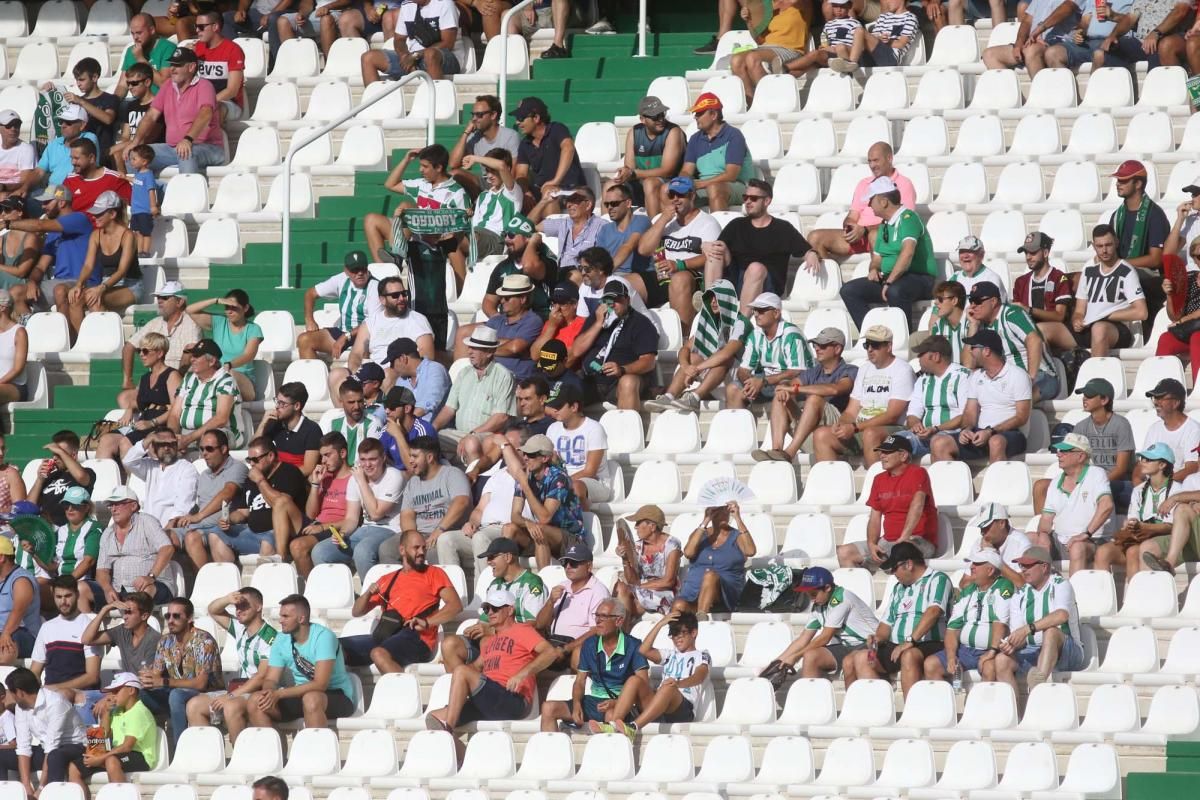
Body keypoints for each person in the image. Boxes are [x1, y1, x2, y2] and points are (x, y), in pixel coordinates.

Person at [425, 588, 558, 744]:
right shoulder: (490, 640)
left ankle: (449, 728)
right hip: (489, 698)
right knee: (434, 718)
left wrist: (522, 674)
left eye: (495, 608)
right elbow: (475, 667)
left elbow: (550, 653)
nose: (489, 612)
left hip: (512, 698)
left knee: (461, 672)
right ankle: (463, 756)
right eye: (487, 608)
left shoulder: (522, 630)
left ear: (510, 610)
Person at [341, 530, 462, 671]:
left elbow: (455, 605)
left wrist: (428, 622)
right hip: (386, 635)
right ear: (402, 550)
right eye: (416, 548)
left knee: (379, 653)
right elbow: (356, 612)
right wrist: (368, 593)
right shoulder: (388, 579)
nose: (422, 552)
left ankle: (405, 690)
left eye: (424, 547)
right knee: (332, 648)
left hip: (417, 638)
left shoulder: (435, 573)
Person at [847, 542, 951, 697]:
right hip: (897, 644)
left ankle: (911, 710)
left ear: (908, 564)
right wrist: (877, 638)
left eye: (894, 568)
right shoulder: (898, 587)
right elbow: (886, 623)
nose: (893, 573)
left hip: (928, 642)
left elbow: (934, 611)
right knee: (864, 657)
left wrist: (910, 641)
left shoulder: (937, 579)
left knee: (909, 655)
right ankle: (876, 711)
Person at [839, 176, 937, 330]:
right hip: (893, 279)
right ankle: (873, 334)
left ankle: (902, 338)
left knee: (895, 291)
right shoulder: (884, 225)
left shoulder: (908, 218)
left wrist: (889, 281)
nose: (869, 204)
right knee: (849, 290)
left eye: (872, 200)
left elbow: (907, 254)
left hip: (919, 278)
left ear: (884, 201)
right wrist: (874, 269)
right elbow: (877, 257)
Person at [539, 597, 649, 734]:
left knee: (611, 715)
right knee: (548, 708)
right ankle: (551, 754)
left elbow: (642, 685)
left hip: (621, 705)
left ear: (619, 621)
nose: (598, 620)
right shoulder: (589, 644)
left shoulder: (634, 645)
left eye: (604, 616)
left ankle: (607, 753)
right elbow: (580, 681)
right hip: (593, 702)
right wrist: (577, 704)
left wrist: (616, 702)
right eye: (597, 615)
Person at [434, 431, 531, 584]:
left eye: (507, 447)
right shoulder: (497, 475)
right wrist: (471, 523)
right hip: (485, 529)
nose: (502, 450)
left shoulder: (529, 473)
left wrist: (504, 443)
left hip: (509, 531)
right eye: (502, 447)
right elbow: (480, 509)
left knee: (481, 538)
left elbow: (518, 471)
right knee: (446, 540)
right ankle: (454, 593)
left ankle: (485, 592)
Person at [985, 546, 1085, 690]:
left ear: (1044, 567)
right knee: (1001, 660)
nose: (1023, 569)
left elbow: (1062, 615)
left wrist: (1028, 629)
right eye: (1021, 565)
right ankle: (1015, 710)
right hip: (1033, 649)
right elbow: (1019, 634)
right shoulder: (1019, 595)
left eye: (1028, 565)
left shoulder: (1060, 585)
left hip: (1067, 652)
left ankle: (1037, 689)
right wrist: (1011, 644)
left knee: (1050, 632)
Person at [759, 567, 880, 686]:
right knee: (811, 656)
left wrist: (795, 657)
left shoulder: (841, 599)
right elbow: (803, 639)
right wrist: (778, 662)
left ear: (827, 588)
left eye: (813, 594)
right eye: (808, 595)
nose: (811, 599)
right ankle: (811, 701)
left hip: (871, 644)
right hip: (847, 646)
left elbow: (825, 637)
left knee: (849, 662)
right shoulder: (819, 605)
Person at [249, 595, 357, 727]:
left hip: (336, 695)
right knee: (255, 701)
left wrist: (279, 693)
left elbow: (320, 684)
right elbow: (271, 679)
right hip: (301, 695)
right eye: (281, 616)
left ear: (301, 618)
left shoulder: (323, 637)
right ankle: (272, 747)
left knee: (311, 699)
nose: (280, 621)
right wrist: (269, 693)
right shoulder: (281, 639)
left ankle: (316, 747)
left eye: (286, 616)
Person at [1040, 225, 1147, 356]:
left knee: (1099, 328)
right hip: (1088, 326)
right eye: (1100, 246)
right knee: (1040, 330)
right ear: (1094, 246)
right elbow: (1079, 311)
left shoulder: (1127, 271)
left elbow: (1141, 312)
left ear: (1116, 243)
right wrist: (1076, 320)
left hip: (1116, 329)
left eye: (1108, 245)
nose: (1104, 250)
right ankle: (1045, 374)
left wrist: (1105, 315)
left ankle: (1096, 375)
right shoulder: (1089, 270)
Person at [813, 326, 914, 465]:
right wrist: (841, 424)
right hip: (862, 428)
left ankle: (875, 483)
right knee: (822, 434)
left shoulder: (903, 370)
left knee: (871, 434)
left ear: (889, 346)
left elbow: (892, 415)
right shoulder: (865, 369)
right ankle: (832, 484)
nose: (870, 349)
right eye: (867, 345)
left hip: (893, 429)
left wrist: (855, 427)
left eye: (875, 345)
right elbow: (851, 411)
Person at [1032, 378, 1135, 513]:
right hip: (1085, 480)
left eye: (1090, 396)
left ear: (1104, 400)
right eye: (1084, 396)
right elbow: (1073, 462)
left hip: (1115, 482)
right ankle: (1042, 531)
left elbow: (1121, 469)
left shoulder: (1121, 424)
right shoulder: (1081, 427)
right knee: (1040, 486)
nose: (1084, 399)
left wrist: (1092, 484)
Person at [754, 327, 857, 462]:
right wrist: (785, 387)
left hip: (836, 430)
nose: (817, 348)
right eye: (815, 345)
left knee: (814, 399)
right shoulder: (814, 371)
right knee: (781, 396)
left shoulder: (850, 370)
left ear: (837, 349)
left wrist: (795, 390)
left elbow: (835, 389)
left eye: (822, 345)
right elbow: (792, 384)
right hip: (811, 429)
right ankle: (777, 450)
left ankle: (790, 452)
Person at [837, 434, 939, 568]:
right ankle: (860, 586)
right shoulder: (879, 479)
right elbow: (875, 517)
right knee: (844, 553)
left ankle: (879, 564)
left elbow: (917, 506)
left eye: (887, 452)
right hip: (889, 541)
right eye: (881, 452)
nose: (882, 456)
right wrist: (871, 544)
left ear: (903, 455)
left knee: (901, 551)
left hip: (917, 540)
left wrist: (904, 538)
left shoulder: (918, 473)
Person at [706, 181, 813, 309]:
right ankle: (710, 305)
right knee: (715, 253)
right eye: (745, 197)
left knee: (755, 268)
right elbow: (718, 247)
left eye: (754, 198)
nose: (748, 202)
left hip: (766, 285)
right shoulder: (736, 224)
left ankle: (742, 324)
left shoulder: (782, 228)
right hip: (738, 280)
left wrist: (812, 254)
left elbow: (805, 250)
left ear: (767, 201)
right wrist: (705, 246)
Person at [931, 329, 1032, 463]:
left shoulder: (1018, 375)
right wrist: (966, 430)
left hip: (1012, 434)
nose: (970, 351)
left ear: (986, 351)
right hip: (981, 433)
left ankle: (995, 484)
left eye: (973, 347)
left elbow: (1021, 417)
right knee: (939, 442)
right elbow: (970, 413)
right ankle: (955, 484)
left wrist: (990, 431)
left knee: (996, 442)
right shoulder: (976, 376)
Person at [310, 436, 405, 578]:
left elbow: (376, 514)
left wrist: (362, 481)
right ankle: (338, 596)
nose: (367, 465)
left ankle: (371, 596)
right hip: (364, 529)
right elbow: (351, 519)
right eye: (363, 460)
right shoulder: (356, 479)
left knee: (362, 551)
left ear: (383, 458)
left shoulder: (393, 476)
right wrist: (342, 533)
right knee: (320, 551)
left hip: (389, 529)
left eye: (372, 459)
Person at [647, 281, 749, 414]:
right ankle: (669, 397)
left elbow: (726, 354)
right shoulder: (709, 321)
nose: (713, 302)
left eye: (717, 298)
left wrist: (697, 369)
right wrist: (686, 367)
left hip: (739, 381)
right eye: (710, 298)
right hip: (716, 380)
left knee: (724, 359)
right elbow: (685, 349)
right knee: (693, 356)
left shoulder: (741, 323)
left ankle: (694, 398)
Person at [806, 142, 917, 264]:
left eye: (876, 160)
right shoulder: (864, 184)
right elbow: (852, 216)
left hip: (885, 236)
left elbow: (903, 221)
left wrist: (865, 230)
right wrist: (850, 227)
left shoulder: (904, 184)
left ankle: (880, 279)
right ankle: (833, 279)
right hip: (860, 236)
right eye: (869, 161)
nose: (872, 165)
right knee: (814, 238)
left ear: (889, 158)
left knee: (874, 235)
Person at [364, 145, 469, 269]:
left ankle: (397, 256)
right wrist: (406, 160)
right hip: (414, 235)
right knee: (371, 219)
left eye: (425, 166)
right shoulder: (421, 184)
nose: (420, 170)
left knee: (405, 206)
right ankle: (386, 270)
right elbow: (390, 184)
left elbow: (462, 228)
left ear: (439, 167)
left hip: (437, 239)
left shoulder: (456, 193)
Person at [332, 277, 436, 401]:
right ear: (382, 299)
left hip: (398, 374)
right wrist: (357, 373)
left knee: (387, 375)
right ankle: (348, 418)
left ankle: (379, 414)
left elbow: (427, 356)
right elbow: (356, 354)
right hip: (369, 373)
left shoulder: (417, 320)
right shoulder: (371, 322)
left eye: (404, 294)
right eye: (395, 295)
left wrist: (400, 370)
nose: (402, 298)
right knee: (336, 375)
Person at [636, 176, 722, 326]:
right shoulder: (665, 222)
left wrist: (679, 265)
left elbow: (710, 257)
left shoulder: (707, 223)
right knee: (626, 282)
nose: (675, 199)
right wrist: (663, 219)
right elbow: (643, 249)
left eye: (681, 194)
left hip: (691, 276)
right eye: (671, 195)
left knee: (679, 279)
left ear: (692, 195)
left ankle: (683, 338)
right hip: (662, 276)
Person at [137, 597, 222, 745]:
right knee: (141, 694)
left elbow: (201, 684)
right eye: (167, 616)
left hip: (207, 694)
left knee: (176, 695)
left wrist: (163, 681)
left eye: (176, 616)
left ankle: (180, 749)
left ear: (189, 618)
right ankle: (145, 749)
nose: (170, 620)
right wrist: (148, 678)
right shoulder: (165, 641)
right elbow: (156, 674)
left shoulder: (204, 641)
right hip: (177, 694)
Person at [128, 48, 226, 175]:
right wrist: (135, 142)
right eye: (171, 65)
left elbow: (205, 113)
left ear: (191, 67)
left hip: (208, 147)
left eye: (178, 65)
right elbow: (151, 115)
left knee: (186, 153)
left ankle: (187, 194)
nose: (172, 69)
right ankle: (145, 193)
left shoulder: (204, 86)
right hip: (173, 148)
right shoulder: (167, 85)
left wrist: (188, 139)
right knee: (134, 154)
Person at [497, 433, 586, 568]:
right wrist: (528, 523)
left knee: (540, 529)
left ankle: (543, 583)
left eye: (531, 455)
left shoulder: (558, 478)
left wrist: (525, 486)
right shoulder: (525, 475)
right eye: (525, 453)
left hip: (570, 539)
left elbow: (545, 518)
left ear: (544, 458)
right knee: (509, 528)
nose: (525, 458)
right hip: (543, 533)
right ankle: (505, 576)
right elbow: (515, 516)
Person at [923, 550, 1012, 684]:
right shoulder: (967, 592)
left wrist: (992, 651)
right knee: (931, 664)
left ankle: (981, 704)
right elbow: (952, 628)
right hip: (965, 650)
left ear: (990, 570)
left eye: (977, 564)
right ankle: (948, 703)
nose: (972, 567)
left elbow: (1000, 623)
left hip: (990, 650)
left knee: (990, 667)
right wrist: (951, 656)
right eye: (972, 564)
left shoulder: (1003, 587)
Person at [6, 185, 96, 317]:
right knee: (16, 292)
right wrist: (32, 281)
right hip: (58, 283)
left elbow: (39, 225)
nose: (43, 206)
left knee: (59, 291)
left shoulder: (79, 218)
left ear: (62, 202)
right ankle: (31, 330)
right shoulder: (53, 232)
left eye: (47, 202)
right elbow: (41, 266)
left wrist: (8, 224)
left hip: (83, 281)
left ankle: (67, 335)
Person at [1094, 443, 1179, 579]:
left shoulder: (1177, 489)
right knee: (1103, 552)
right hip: (1139, 537)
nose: (1142, 462)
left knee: (1133, 551)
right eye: (1142, 459)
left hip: (1161, 540)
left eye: (1148, 460)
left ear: (1162, 465)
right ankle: (1103, 598)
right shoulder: (1138, 489)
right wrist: (1131, 524)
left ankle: (1134, 597)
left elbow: (1172, 527)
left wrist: (1143, 526)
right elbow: (1134, 519)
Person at [379, 436, 471, 562]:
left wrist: (439, 531)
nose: (410, 461)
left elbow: (461, 502)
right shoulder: (413, 483)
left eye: (415, 456)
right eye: (410, 456)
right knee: (386, 549)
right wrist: (412, 538)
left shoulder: (452, 474)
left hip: (445, 534)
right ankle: (403, 581)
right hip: (419, 534)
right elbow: (407, 515)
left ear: (429, 458)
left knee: (432, 553)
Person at [433, 327, 517, 465]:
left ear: (489, 352)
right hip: (460, 433)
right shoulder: (464, 373)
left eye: (475, 348)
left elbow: (501, 418)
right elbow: (449, 408)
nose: (469, 351)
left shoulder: (504, 376)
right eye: (470, 347)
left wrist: (472, 434)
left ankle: (473, 481)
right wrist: (432, 428)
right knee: (429, 440)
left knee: (471, 443)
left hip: (489, 436)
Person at [965, 281, 1059, 401]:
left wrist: (1029, 379)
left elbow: (1034, 341)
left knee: (1009, 403)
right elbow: (969, 365)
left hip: (1042, 377)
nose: (972, 306)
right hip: (1005, 381)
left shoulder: (1012, 314)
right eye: (971, 301)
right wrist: (973, 325)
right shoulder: (980, 324)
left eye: (977, 301)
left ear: (993, 302)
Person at [1036, 433, 1115, 574]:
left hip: (1092, 541)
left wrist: (1086, 533)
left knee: (1077, 547)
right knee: (1030, 538)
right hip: (1061, 540)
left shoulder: (1096, 474)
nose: (1059, 454)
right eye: (1059, 451)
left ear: (1081, 456)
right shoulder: (1055, 482)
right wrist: (1043, 533)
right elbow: (1046, 519)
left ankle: (1072, 595)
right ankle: (1044, 590)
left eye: (1065, 451)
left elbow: (1106, 505)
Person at [64, 193, 141, 338]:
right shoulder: (96, 235)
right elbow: (88, 265)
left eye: (99, 214)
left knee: (94, 298)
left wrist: (101, 288)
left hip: (131, 285)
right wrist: (79, 284)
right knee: (76, 297)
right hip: (107, 284)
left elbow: (122, 270)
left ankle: (105, 342)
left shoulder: (128, 235)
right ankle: (84, 342)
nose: (94, 217)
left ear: (112, 213)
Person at [573, 280, 658, 410]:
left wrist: (622, 369)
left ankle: (627, 429)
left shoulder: (641, 323)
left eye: (617, 299)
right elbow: (576, 351)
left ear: (628, 300)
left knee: (628, 382)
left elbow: (648, 362)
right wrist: (597, 324)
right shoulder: (596, 318)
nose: (612, 304)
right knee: (566, 386)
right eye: (607, 300)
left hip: (620, 380)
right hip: (591, 379)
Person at [7, 667, 87, 796]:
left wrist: (41, 789)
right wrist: (26, 786)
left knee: (55, 756)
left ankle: (51, 795)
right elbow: (23, 746)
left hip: (76, 746)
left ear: (20, 693)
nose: (10, 697)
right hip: (47, 748)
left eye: (11, 692)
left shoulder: (56, 702)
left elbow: (52, 746)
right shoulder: (20, 707)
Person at [727, 291, 809, 410]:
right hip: (767, 381)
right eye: (755, 310)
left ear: (776, 313)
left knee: (783, 388)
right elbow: (743, 370)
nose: (755, 314)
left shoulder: (792, 334)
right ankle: (740, 428)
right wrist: (750, 383)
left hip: (795, 383)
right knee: (732, 389)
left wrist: (762, 381)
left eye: (761, 310)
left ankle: (789, 427)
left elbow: (796, 371)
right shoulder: (755, 335)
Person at [607, 96, 685, 220]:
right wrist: (625, 173)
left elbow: (667, 170)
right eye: (655, 116)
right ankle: (610, 231)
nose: (660, 119)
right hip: (642, 183)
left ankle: (654, 231)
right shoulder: (634, 132)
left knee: (650, 183)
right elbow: (630, 168)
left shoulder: (673, 131)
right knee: (609, 185)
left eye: (662, 114)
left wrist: (633, 173)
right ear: (642, 119)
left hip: (669, 184)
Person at [94, 487, 175, 606]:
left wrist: (150, 577)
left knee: (143, 594)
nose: (114, 509)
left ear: (133, 506)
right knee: (82, 590)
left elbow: (167, 548)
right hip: (118, 590)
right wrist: (107, 589)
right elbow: (102, 570)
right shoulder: (108, 533)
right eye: (111, 505)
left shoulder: (147, 522)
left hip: (152, 584)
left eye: (119, 504)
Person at [673, 501, 755, 616]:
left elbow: (750, 551)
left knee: (710, 575)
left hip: (725, 592)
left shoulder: (736, 535)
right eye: (718, 511)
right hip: (694, 591)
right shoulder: (700, 534)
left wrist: (737, 517)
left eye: (725, 511)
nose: (722, 514)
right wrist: (706, 520)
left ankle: (701, 617)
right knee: (679, 605)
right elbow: (688, 553)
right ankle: (676, 632)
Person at [676, 93, 752, 213]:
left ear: (714, 115)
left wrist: (701, 184)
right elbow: (686, 170)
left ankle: (719, 231)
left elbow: (731, 175)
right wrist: (683, 182)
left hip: (736, 186)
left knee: (714, 188)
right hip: (706, 186)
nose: (695, 117)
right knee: (667, 191)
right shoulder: (695, 138)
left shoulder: (734, 135)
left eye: (700, 113)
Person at [121, 281, 201, 396]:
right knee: (126, 398)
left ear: (179, 302)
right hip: (156, 383)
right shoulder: (155, 323)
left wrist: (173, 380)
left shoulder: (192, 323)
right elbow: (129, 346)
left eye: (165, 297)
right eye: (158, 297)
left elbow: (189, 352)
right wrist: (127, 380)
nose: (159, 301)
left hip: (184, 385)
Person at [297, 251, 378, 361]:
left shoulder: (375, 287)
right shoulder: (341, 279)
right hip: (343, 331)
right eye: (354, 270)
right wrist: (309, 319)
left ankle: (358, 376)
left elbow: (372, 322)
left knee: (365, 349)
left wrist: (346, 337)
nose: (359, 273)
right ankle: (316, 377)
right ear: (346, 271)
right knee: (304, 340)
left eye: (362, 269)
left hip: (365, 335)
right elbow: (310, 293)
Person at [359, 0, 464, 84]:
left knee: (430, 54)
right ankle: (374, 108)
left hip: (446, 57)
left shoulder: (445, 3)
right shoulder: (407, 5)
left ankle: (436, 105)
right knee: (368, 58)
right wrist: (404, 56)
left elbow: (448, 44)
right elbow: (399, 39)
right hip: (412, 57)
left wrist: (415, 56)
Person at [186, 290, 263, 402]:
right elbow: (190, 310)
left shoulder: (253, 329)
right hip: (215, 375)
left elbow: (248, 355)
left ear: (245, 308)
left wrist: (229, 365)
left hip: (242, 380)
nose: (229, 311)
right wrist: (216, 300)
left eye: (234, 307)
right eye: (227, 307)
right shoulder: (219, 322)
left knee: (229, 375)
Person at [168, 339, 245, 450]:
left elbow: (221, 419)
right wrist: (173, 438)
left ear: (212, 361)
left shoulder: (225, 380)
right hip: (188, 434)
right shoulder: (188, 378)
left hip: (220, 433)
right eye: (192, 355)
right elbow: (174, 414)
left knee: (210, 442)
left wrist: (188, 439)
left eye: (197, 356)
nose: (192, 359)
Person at [533, 545, 609, 658]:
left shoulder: (598, 591)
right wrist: (550, 602)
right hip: (554, 643)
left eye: (573, 563)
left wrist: (566, 649)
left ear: (589, 566)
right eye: (565, 562)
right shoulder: (562, 586)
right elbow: (540, 624)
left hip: (578, 649)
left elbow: (597, 630)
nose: (568, 567)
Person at [462, 274, 542, 380]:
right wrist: (508, 343)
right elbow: (480, 344)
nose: (502, 301)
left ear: (522, 299)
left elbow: (514, 348)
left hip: (517, 381)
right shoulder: (495, 320)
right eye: (501, 297)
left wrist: (486, 349)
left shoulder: (533, 321)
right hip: (489, 378)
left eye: (507, 298)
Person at [545, 384, 613, 506]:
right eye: (553, 406)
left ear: (574, 407)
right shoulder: (553, 428)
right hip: (563, 480)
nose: (554, 410)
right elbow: (552, 461)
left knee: (575, 488)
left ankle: (581, 523)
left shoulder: (594, 429)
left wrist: (560, 482)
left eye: (559, 406)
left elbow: (590, 471)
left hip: (596, 483)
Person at [482, 214, 560, 321]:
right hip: (509, 322)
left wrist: (532, 243)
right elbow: (489, 302)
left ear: (527, 237)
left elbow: (528, 267)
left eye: (511, 235)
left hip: (538, 319)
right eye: (505, 234)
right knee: (463, 332)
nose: (506, 239)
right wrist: (498, 320)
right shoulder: (502, 267)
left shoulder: (547, 262)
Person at [513, 97, 586, 210]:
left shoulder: (557, 129)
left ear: (536, 118)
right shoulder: (525, 144)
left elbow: (568, 148)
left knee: (548, 196)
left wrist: (555, 181)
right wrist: (526, 192)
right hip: (542, 191)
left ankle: (547, 227)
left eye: (521, 118)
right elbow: (521, 174)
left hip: (570, 190)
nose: (517, 122)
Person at [82, 673, 157, 782]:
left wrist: (99, 759)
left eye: (116, 691)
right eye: (111, 692)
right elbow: (103, 737)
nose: (112, 696)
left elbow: (127, 747)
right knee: (75, 767)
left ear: (131, 691)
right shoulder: (118, 711)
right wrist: (107, 711)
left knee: (111, 761)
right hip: (119, 753)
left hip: (141, 757)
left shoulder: (138, 712)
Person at [118, 428, 197, 532]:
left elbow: (184, 504)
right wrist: (148, 439)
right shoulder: (150, 465)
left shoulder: (186, 468)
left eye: (170, 444)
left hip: (172, 529)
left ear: (176, 445)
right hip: (147, 528)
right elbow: (128, 461)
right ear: (154, 447)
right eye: (161, 444)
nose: (166, 448)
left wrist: (167, 528)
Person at [448, 95, 521, 200]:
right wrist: (466, 133)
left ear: (493, 115)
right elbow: (453, 164)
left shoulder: (510, 136)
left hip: (505, 183)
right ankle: (474, 206)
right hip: (485, 182)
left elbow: (513, 172)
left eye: (479, 115)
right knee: (454, 174)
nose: (474, 119)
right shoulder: (474, 138)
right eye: (473, 114)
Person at [981, 0, 1082, 75]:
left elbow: (1067, 8)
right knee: (989, 55)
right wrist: (1019, 43)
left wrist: (1038, 30)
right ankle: (1009, 99)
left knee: (1031, 50)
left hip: (1059, 43)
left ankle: (1041, 98)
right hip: (1035, 42)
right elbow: (1027, 21)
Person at [79, 592, 160, 680]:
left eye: (129, 612)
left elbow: (146, 679)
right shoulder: (122, 631)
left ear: (144, 616)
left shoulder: (154, 639)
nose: (124, 616)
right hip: (126, 687)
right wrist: (105, 609)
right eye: (124, 612)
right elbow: (86, 640)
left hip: (142, 690)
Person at [460, 150, 523, 262]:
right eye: (487, 171)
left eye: (493, 171)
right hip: (477, 235)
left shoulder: (512, 192)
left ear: (507, 169)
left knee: (458, 239)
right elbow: (474, 225)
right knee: (449, 237)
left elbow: (501, 165)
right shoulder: (483, 195)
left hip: (496, 240)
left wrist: (475, 158)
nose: (489, 176)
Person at [1011, 231, 1073, 343]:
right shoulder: (1020, 282)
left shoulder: (1059, 277)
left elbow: (1059, 316)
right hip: (1031, 333)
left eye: (1033, 252)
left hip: (1056, 331)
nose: (1028, 257)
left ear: (1045, 253)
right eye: (1026, 253)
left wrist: (1028, 310)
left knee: (1036, 332)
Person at [29, 432, 96, 528]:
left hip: (70, 528)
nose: (54, 458)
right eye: (54, 454)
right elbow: (29, 507)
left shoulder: (87, 473)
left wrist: (60, 451)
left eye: (59, 454)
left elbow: (81, 477)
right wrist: (39, 480)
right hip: (46, 528)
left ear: (73, 455)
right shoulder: (50, 476)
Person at [1139, 378, 1200, 484]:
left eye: (1161, 398)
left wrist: (1162, 485)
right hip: (1152, 486)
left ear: (1176, 403)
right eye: (1155, 398)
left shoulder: (1193, 429)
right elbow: (1141, 464)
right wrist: (1137, 483)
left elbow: (1192, 468)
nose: (1156, 402)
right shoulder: (1154, 428)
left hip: (1177, 487)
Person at [1157, 230, 1200, 379]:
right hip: (1190, 331)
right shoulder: (1188, 279)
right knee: (1165, 339)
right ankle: (1162, 387)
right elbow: (1175, 315)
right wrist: (1170, 296)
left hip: (1195, 332)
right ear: (1194, 259)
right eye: (1199, 256)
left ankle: (1198, 390)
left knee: (1197, 338)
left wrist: (1183, 321)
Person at [255, 382, 321, 475]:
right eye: (277, 401)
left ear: (297, 406)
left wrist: (280, 478)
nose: (277, 406)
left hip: (297, 482)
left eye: (282, 403)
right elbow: (254, 450)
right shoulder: (275, 424)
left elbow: (308, 469)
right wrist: (263, 424)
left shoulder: (312, 430)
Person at [534, 187, 605, 271]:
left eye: (574, 200)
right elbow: (527, 227)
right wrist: (544, 201)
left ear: (588, 205)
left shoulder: (602, 227)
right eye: (568, 200)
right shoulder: (563, 223)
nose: (569, 204)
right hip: (559, 274)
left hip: (584, 276)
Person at [193, 11, 246, 123]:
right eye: (196, 26)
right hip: (200, 101)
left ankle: (212, 140)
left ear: (215, 27)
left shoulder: (233, 50)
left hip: (228, 102)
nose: (197, 30)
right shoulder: (196, 48)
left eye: (201, 27)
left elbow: (232, 90)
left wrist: (207, 103)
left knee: (213, 109)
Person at [111, 73, 162, 183]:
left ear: (147, 82)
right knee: (112, 154)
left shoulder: (157, 105)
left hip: (149, 147)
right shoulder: (131, 105)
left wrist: (129, 146)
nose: (130, 87)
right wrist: (126, 146)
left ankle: (131, 186)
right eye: (128, 83)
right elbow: (125, 135)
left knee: (116, 153)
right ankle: (124, 186)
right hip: (132, 144)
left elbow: (152, 137)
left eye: (134, 83)